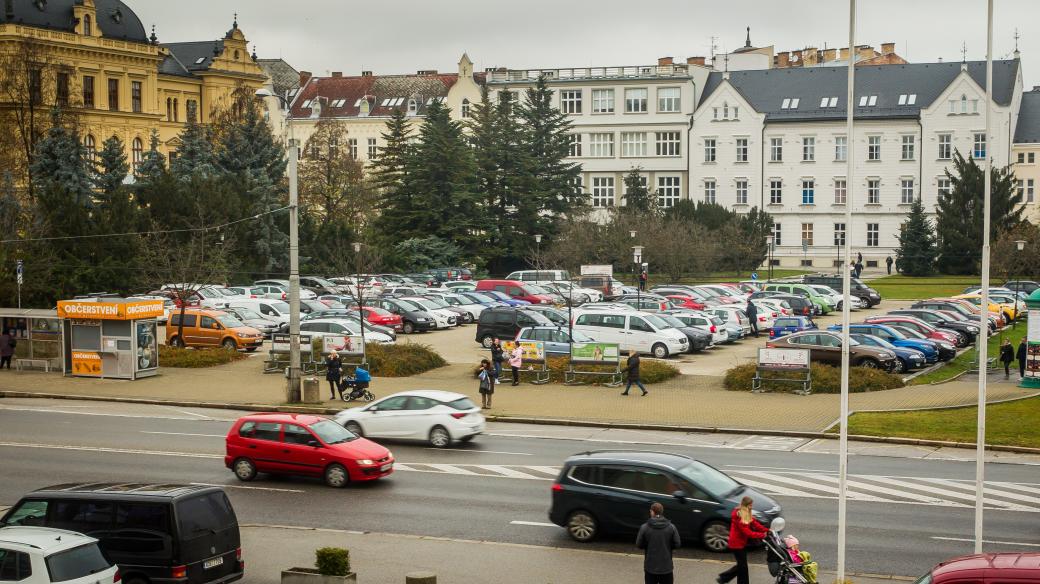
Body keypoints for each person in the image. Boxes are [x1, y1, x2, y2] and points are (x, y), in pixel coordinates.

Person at [717, 496, 768, 584]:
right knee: (743, 566)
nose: (752, 507)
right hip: (736, 544)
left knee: (742, 566)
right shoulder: (739, 516)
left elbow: (754, 523)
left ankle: (724, 578)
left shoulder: (746, 512)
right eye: (750, 505)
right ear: (745, 505)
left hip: (741, 543)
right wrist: (762, 535)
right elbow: (748, 532)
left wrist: (767, 530)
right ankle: (724, 578)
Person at [635, 502, 680, 584]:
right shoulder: (671, 527)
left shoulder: (644, 527)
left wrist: (647, 545)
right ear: (662, 512)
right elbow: (677, 544)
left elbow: (638, 544)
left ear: (652, 512)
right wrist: (668, 546)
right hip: (666, 567)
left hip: (650, 567)